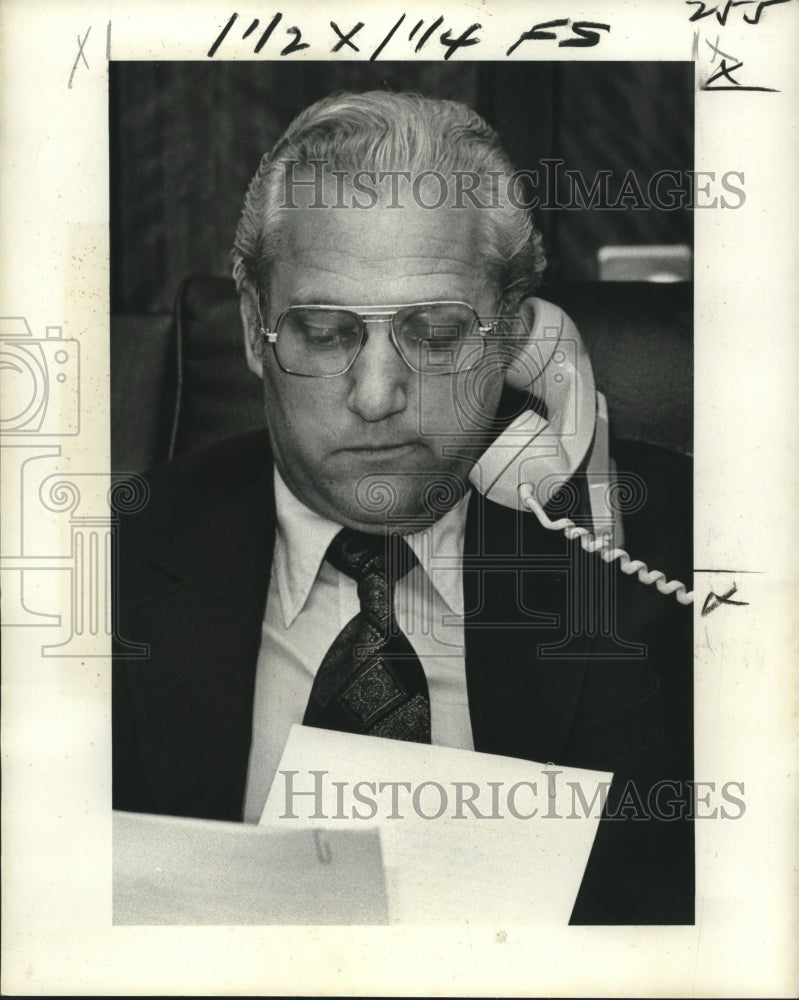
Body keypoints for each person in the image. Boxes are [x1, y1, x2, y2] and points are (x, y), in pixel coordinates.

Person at [113, 91, 693, 924]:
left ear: (515, 341)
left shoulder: (688, 550)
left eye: (434, 331)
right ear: (253, 332)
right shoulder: (103, 560)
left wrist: (595, 516)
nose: (377, 395)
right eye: (323, 329)